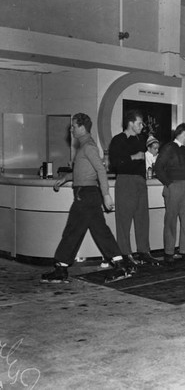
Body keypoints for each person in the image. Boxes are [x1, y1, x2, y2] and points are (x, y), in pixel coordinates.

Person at [40, 113, 136, 283]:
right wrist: (67, 178)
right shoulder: (84, 147)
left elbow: (100, 170)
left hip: (86, 195)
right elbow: (85, 171)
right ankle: (120, 265)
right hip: (86, 194)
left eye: (74, 126)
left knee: (73, 230)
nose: (71, 129)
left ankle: (61, 268)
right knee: (97, 231)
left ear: (82, 127)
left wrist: (106, 196)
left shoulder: (88, 147)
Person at [109, 110, 158, 266]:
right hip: (125, 181)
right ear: (130, 123)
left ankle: (144, 252)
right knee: (124, 220)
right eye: (139, 123)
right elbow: (114, 164)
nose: (142, 126)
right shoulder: (118, 140)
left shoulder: (141, 139)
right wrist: (133, 157)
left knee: (142, 218)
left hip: (140, 181)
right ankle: (125, 254)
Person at [155, 123, 185, 263]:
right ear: (183, 133)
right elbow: (158, 167)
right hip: (174, 186)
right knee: (171, 220)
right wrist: (169, 184)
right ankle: (169, 252)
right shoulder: (168, 148)